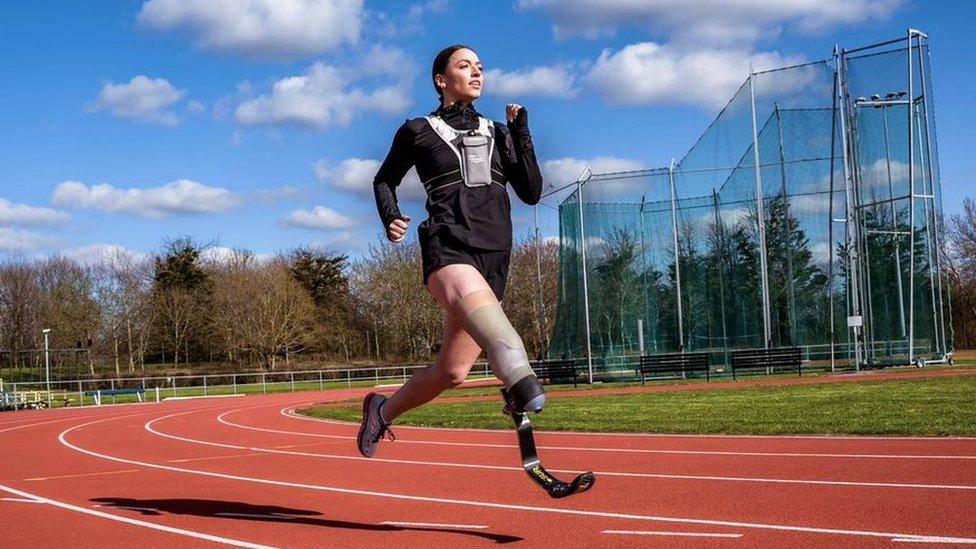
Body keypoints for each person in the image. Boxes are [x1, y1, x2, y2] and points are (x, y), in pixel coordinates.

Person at [359, 44, 546, 458]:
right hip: (448, 249)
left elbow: (531, 193)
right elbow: (384, 180)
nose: (477, 73)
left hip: (495, 254)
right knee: (507, 350)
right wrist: (390, 216)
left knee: (453, 371)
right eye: (465, 66)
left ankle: (381, 411)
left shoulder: (498, 132)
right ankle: (522, 383)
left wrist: (521, 135)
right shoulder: (418, 130)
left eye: (481, 67)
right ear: (442, 80)